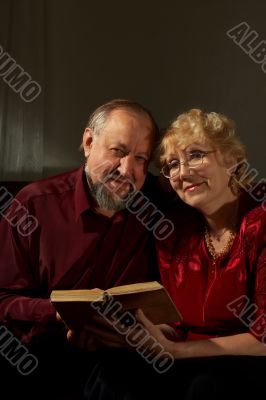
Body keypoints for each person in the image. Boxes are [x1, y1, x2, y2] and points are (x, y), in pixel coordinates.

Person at [82, 108, 266, 399]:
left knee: (206, 387)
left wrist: (178, 351)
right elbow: (175, 322)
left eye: (196, 155)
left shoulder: (260, 218)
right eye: (172, 164)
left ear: (231, 160)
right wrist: (140, 335)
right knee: (113, 372)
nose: (182, 171)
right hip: (184, 358)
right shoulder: (174, 229)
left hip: (249, 361)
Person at [0, 99, 160, 398]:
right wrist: (59, 313)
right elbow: (3, 298)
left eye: (141, 158)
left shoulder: (157, 209)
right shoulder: (33, 205)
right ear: (88, 142)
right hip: (38, 351)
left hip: (118, 357)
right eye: (119, 151)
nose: (127, 170)